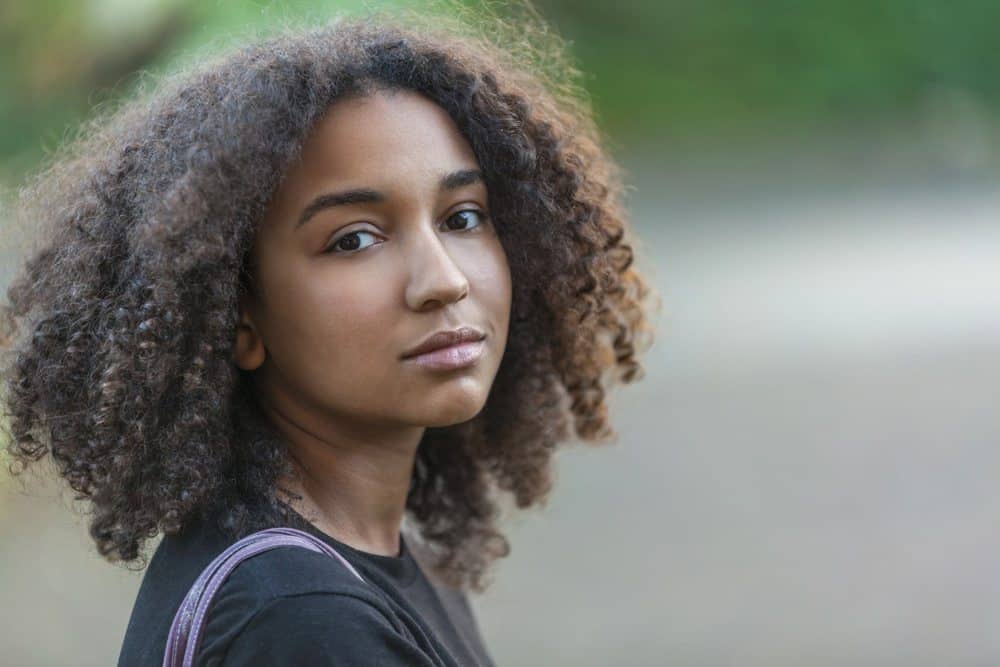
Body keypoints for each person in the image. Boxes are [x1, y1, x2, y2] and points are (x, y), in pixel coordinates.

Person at [0, 3, 657, 665]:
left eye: (462, 217)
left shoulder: (343, 571)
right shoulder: (300, 620)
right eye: (355, 239)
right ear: (239, 315)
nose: (444, 279)